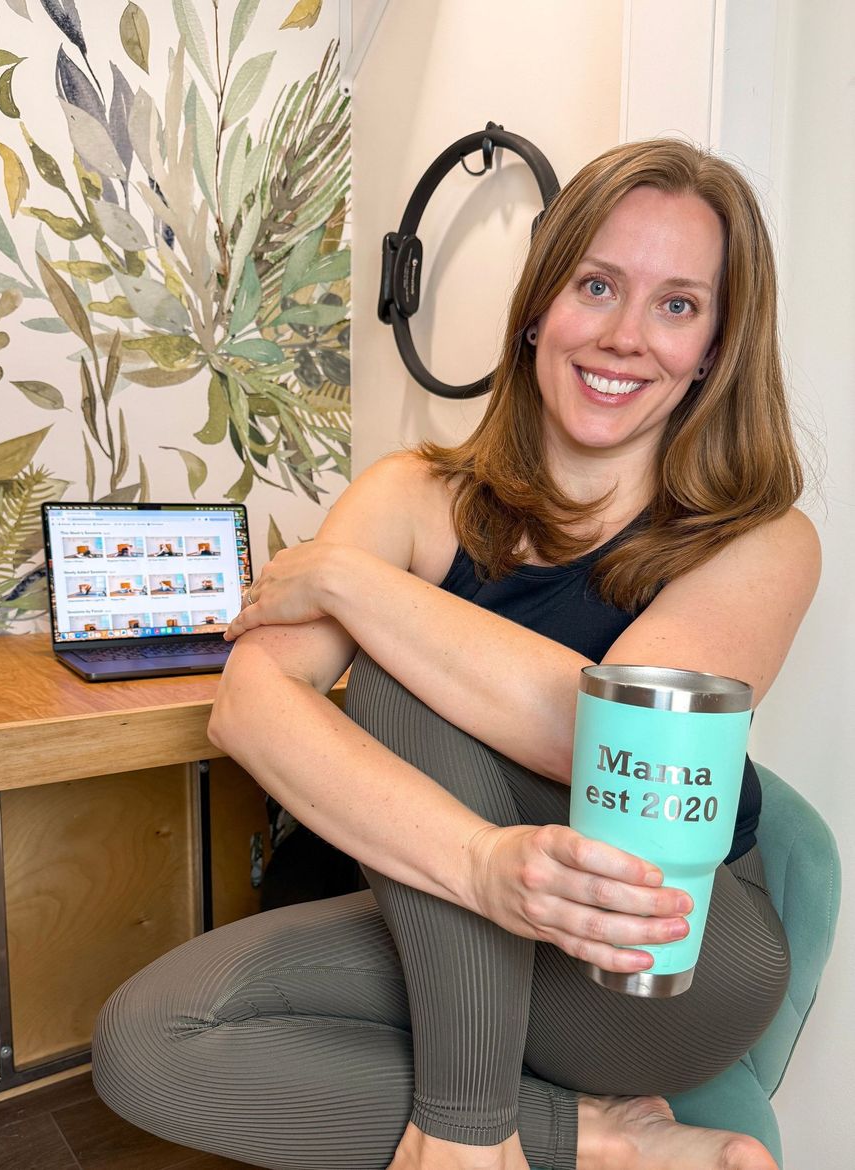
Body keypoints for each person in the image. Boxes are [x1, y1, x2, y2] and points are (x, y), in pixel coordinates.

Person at [91, 140, 820, 1170]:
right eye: (597, 285)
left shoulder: (760, 539)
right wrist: (483, 868)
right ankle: (596, 1140)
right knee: (146, 1039)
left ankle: (466, 1134)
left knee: (400, 667)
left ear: (712, 347)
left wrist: (351, 582)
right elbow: (247, 706)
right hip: (454, 907)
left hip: (655, 951)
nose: (622, 337)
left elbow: (610, 740)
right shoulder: (411, 491)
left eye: (676, 305)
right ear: (538, 307)